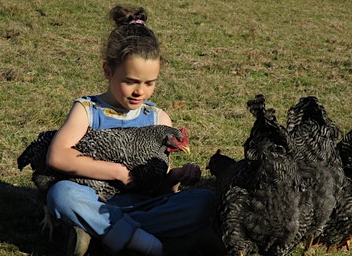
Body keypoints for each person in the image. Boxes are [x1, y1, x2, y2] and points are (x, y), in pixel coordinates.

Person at [45, 5, 225, 256]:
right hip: (97, 201)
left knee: (205, 201)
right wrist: (116, 172)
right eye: (130, 81)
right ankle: (149, 243)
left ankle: (102, 237)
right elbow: (57, 155)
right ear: (108, 71)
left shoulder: (157, 117)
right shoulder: (87, 110)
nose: (140, 91)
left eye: (149, 83)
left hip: (146, 206)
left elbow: (159, 184)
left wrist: (176, 177)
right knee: (62, 194)